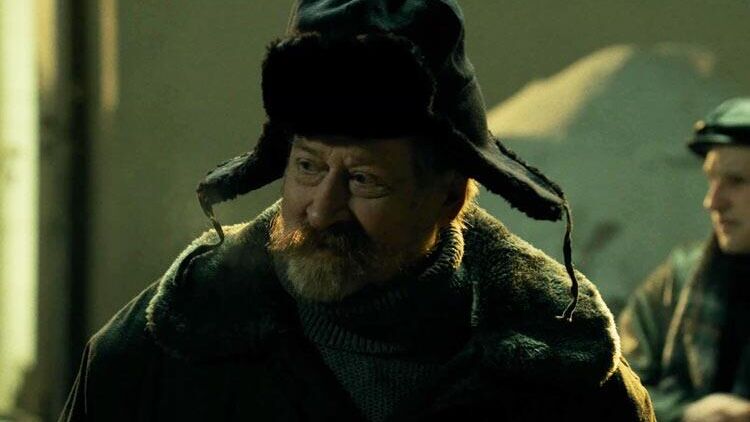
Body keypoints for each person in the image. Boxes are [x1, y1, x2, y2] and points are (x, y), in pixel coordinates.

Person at [60, 1, 653, 421]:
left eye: (364, 179)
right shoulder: (157, 356)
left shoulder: (562, 378)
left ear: (448, 197)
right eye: (307, 166)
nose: (322, 211)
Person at [619, 97, 750, 422]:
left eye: (736, 181)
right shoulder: (676, 282)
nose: (713, 201)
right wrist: (686, 414)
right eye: (711, 179)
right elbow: (616, 385)